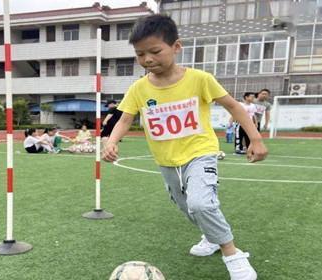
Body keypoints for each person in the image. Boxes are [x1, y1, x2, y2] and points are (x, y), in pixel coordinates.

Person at [102, 15, 267, 280]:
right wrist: (111, 141)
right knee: (189, 208)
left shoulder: (200, 79)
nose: (147, 60)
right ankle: (212, 238)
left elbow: (234, 107)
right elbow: (124, 119)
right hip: (166, 162)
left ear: (176, 46)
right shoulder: (138, 89)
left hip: (200, 153)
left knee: (201, 204)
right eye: (140, 54)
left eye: (155, 51)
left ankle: (233, 255)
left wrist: (255, 139)